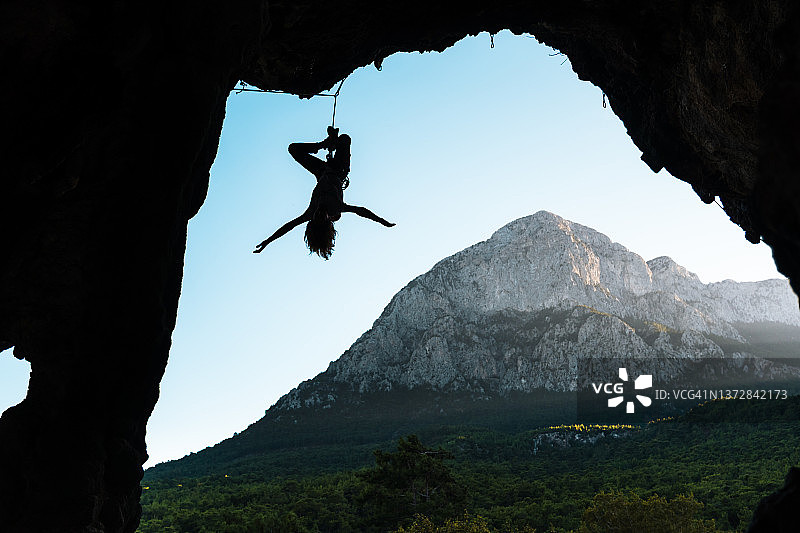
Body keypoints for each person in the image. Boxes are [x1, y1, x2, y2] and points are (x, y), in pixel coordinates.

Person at [253, 128, 395, 259]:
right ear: (328, 220)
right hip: (339, 170)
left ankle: (325, 143)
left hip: (321, 171)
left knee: (293, 149)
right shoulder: (336, 208)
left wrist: (267, 241)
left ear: (312, 221)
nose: (320, 212)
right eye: (323, 217)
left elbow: (288, 227)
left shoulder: (309, 213)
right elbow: (361, 211)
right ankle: (333, 141)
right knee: (345, 139)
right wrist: (382, 221)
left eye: (317, 216)